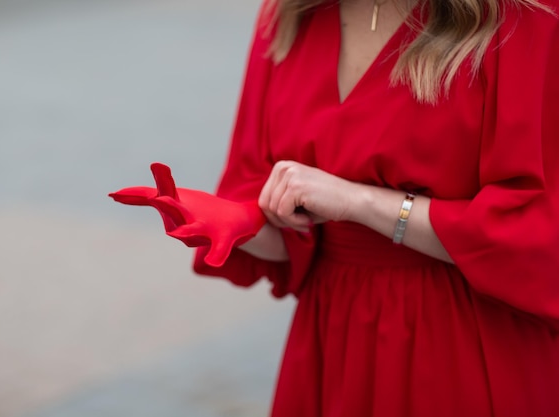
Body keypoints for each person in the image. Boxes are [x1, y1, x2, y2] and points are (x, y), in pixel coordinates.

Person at [112, 0, 559, 415]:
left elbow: (538, 235)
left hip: (465, 342)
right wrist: (242, 221)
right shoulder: (287, 16)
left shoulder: (522, 18)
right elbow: (296, 235)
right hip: (330, 335)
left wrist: (360, 201)